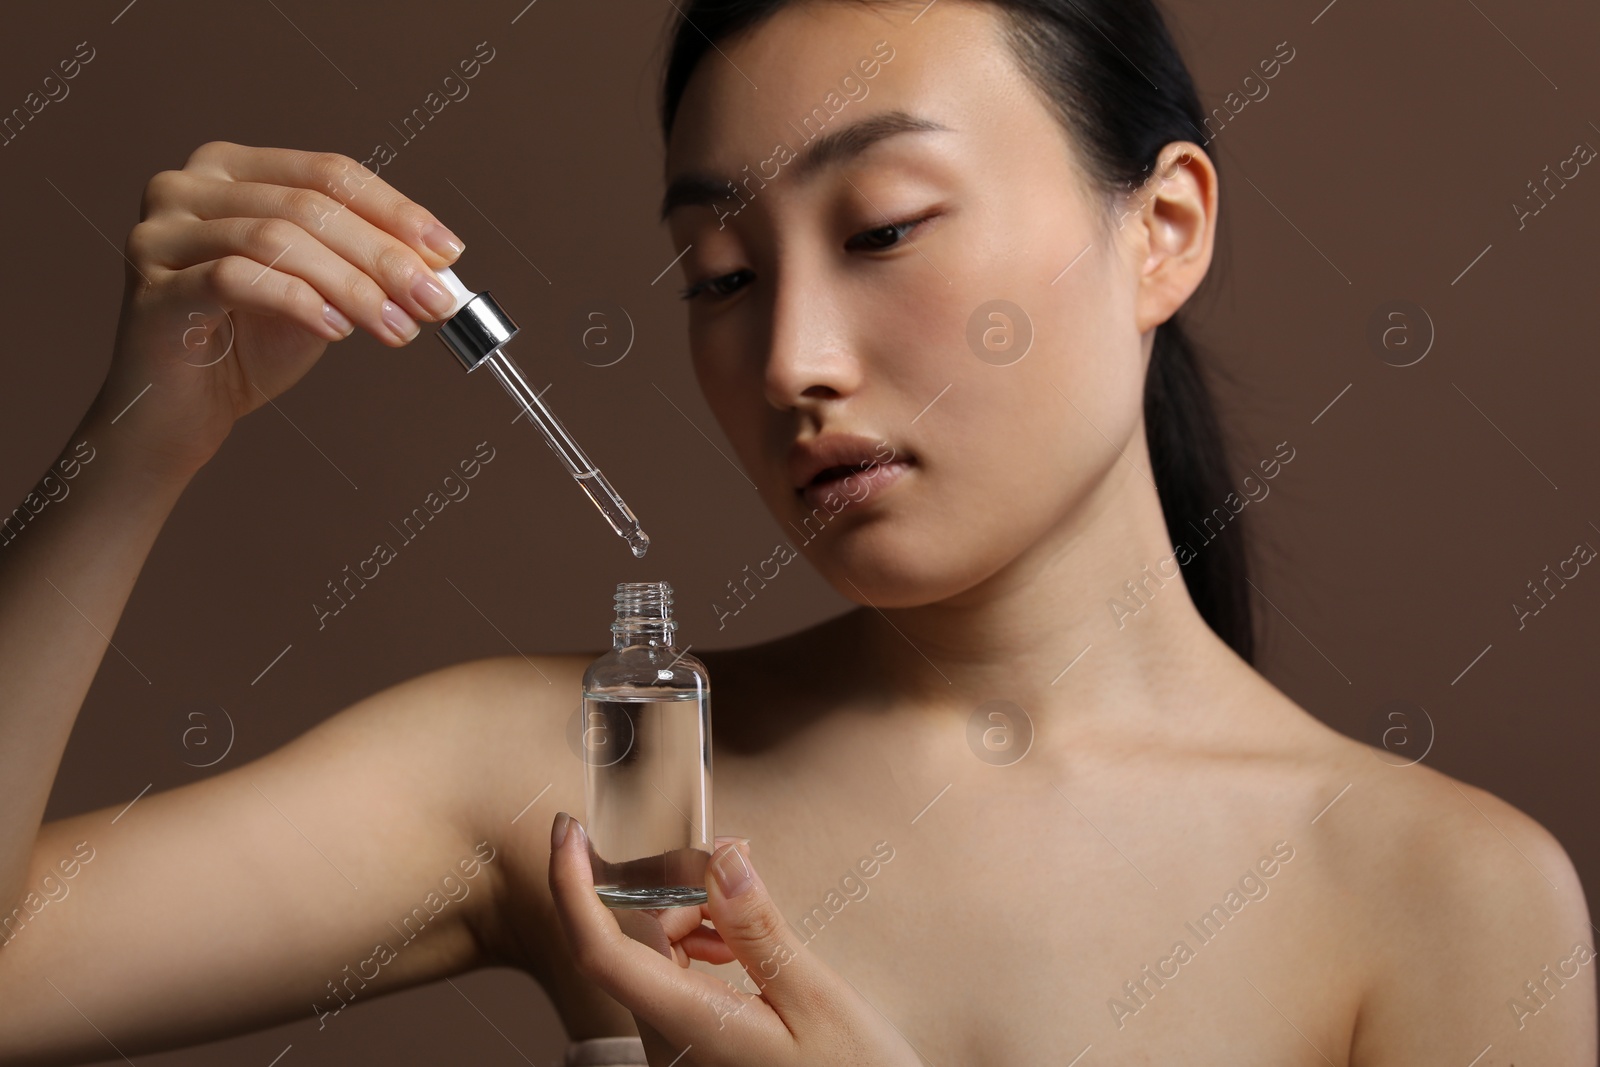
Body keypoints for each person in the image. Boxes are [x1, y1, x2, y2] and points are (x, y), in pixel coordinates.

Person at [1, 0, 1593, 1063]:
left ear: (1159, 231)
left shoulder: (1442, 899)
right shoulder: (599, 786)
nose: (790, 363)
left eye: (887, 226)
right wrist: (142, 446)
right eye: (720, 278)